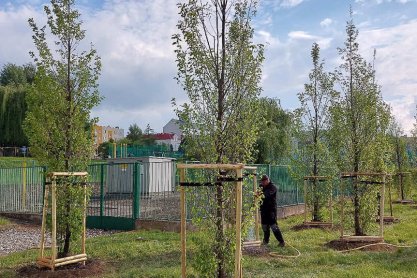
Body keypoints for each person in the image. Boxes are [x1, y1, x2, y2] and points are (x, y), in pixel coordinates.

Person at [259, 174, 285, 247]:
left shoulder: (272, 187)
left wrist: (258, 194)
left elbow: (265, 195)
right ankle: (266, 241)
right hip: (263, 210)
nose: (263, 183)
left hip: (271, 210)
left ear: (268, 180)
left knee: (273, 226)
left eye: (264, 181)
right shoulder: (261, 186)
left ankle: (281, 242)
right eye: (262, 181)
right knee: (264, 226)